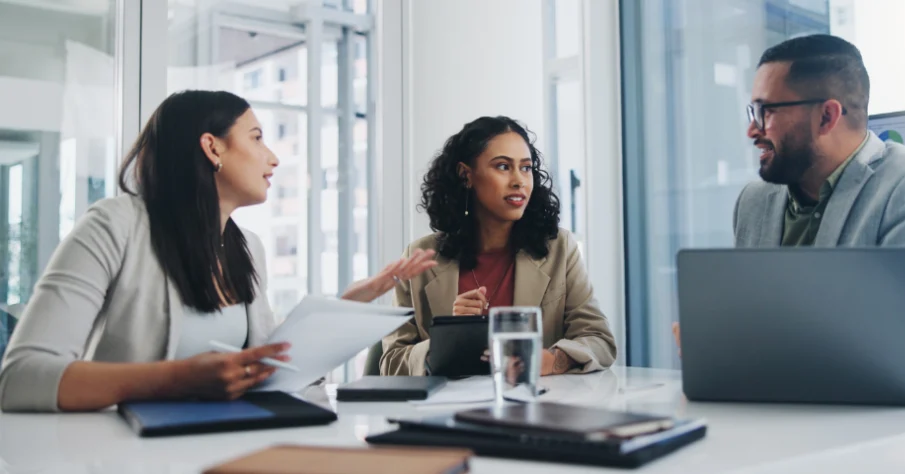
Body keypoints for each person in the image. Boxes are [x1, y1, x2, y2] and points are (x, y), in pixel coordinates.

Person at [0, 90, 436, 412]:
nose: (273, 158)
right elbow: (20, 378)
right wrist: (175, 379)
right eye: (257, 137)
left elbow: (268, 364)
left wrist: (346, 307)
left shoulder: (247, 247)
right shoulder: (114, 225)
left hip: (225, 445)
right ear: (213, 148)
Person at [673, 34, 905, 356]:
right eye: (752, 111)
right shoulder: (753, 201)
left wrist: (740, 341)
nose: (752, 130)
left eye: (766, 112)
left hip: (876, 408)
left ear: (827, 117)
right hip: (763, 402)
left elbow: (900, 348)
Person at [380, 116, 617, 376]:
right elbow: (390, 363)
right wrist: (448, 339)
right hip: (447, 412)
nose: (519, 181)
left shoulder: (560, 249)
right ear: (466, 175)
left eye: (526, 168)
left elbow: (599, 340)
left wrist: (549, 360)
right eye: (503, 166)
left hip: (535, 408)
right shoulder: (419, 259)